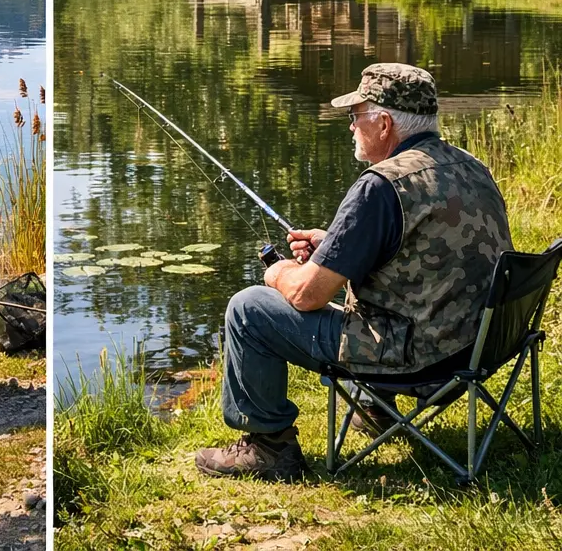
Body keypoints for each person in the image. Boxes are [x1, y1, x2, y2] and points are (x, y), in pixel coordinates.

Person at [195, 63, 512, 480]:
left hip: (420, 358)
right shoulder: (470, 165)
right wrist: (335, 246)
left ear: (383, 124)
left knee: (248, 308)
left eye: (355, 116)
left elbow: (308, 296)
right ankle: (375, 409)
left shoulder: (379, 186)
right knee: (356, 292)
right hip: (481, 344)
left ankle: (268, 448)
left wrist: (280, 274)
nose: (350, 127)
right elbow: (425, 248)